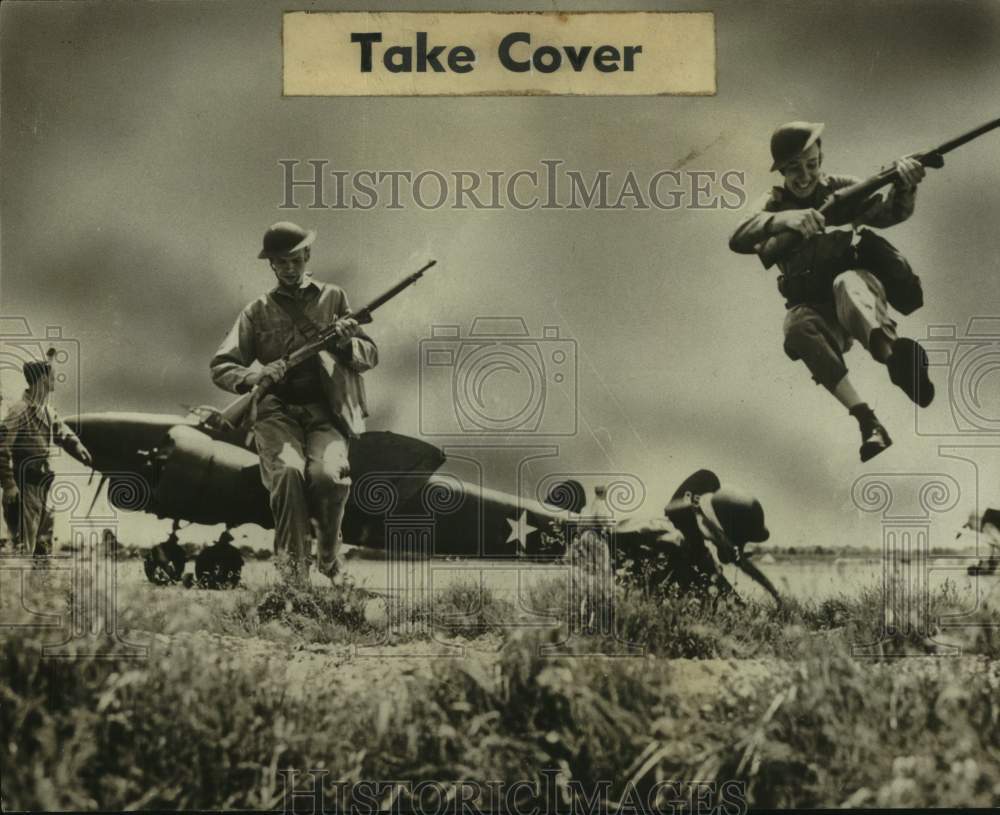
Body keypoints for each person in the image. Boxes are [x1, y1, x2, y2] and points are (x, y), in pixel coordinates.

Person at [729, 122, 934, 462]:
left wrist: (906, 185)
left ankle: (897, 359)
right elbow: (738, 236)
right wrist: (786, 220)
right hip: (819, 313)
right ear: (781, 170)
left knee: (846, 284)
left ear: (821, 157)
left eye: (812, 164)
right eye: (794, 168)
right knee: (794, 326)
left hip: (858, 296)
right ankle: (868, 422)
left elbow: (892, 213)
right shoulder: (773, 204)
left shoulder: (844, 191)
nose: (805, 175)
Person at [210, 222, 378, 583]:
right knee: (287, 473)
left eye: (294, 260)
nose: (288, 268)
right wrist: (255, 377)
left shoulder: (334, 298)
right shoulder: (257, 311)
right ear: (271, 265)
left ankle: (330, 565)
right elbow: (221, 366)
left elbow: (369, 355)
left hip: (326, 412)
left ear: (307, 256)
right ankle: (293, 579)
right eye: (279, 262)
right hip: (275, 413)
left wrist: (345, 343)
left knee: (329, 477)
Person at [0, 354, 93, 556]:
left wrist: (77, 446)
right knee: (24, 544)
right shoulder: (19, 411)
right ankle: (18, 586)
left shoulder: (48, 411)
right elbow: (2, 449)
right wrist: (8, 485)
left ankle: (41, 584)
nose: (54, 382)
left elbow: (62, 432)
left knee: (43, 542)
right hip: (24, 486)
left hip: (43, 484)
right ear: (42, 380)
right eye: (52, 377)